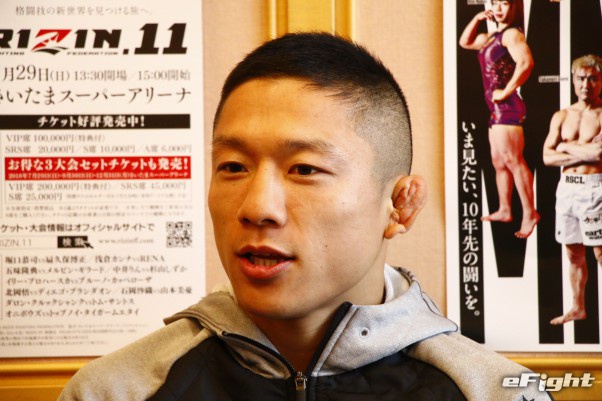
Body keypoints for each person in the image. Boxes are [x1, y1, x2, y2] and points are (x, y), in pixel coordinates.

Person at [58, 32, 550, 401]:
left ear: (400, 205)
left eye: (305, 169)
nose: (257, 207)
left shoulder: (494, 391)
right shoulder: (115, 390)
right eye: (233, 166)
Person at [459, 0, 539, 238]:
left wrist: (506, 92)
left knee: (513, 160)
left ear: (514, 7)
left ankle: (530, 213)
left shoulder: (512, 35)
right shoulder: (491, 37)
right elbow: (465, 42)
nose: (499, 8)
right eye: (495, 3)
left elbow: (526, 63)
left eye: (505, 3)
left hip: (507, 107)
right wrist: (477, 18)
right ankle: (505, 209)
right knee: (498, 161)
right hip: (495, 109)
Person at [543, 54, 602, 325]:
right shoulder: (562, 115)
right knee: (573, 252)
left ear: (600, 81)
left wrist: (565, 147)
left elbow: (598, 154)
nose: (586, 84)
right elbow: (547, 157)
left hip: (594, 188)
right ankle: (578, 308)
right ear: (574, 80)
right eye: (581, 78)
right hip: (567, 189)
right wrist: (583, 151)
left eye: (592, 79)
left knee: (599, 252)